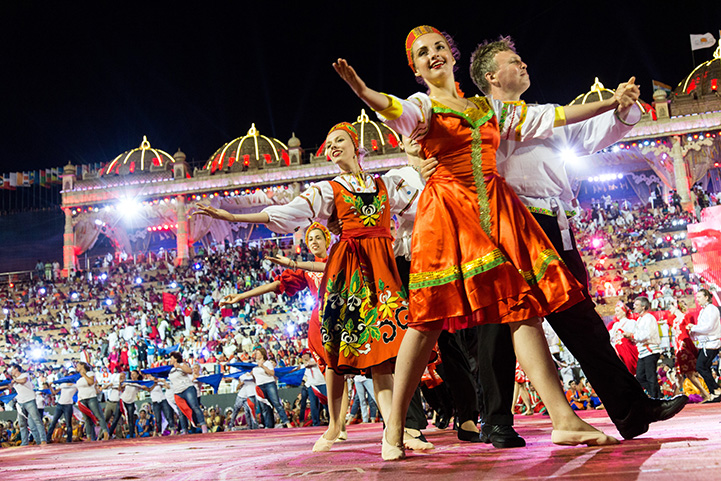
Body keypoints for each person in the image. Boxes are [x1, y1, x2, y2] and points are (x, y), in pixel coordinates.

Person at [334, 25, 625, 459]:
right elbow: (395, 110)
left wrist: (613, 103)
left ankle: (563, 419)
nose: (432, 55)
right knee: (427, 320)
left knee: (522, 307)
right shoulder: (422, 105)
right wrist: (361, 89)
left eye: (437, 48)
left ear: (451, 56)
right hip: (448, 212)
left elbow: (553, 115)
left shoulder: (484, 106)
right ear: (415, 68)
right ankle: (394, 425)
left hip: (496, 209)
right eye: (421, 54)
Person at [459, 35, 686, 445]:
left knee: (581, 320)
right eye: (515, 60)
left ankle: (632, 410)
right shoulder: (485, 114)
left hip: (553, 223)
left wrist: (623, 107)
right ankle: (495, 419)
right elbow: (556, 118)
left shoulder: (546, 116)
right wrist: (607, 103)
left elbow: (592, 132)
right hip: (509, 222)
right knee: (499, 324)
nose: (525, 64)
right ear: (491, 76)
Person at [195, 120, 419, 453]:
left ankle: (394, 432)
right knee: (350, 352)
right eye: (329, 145)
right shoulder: (328, 190)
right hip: (350, 274)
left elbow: (421, 201)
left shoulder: (387, 184)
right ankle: (345, 427)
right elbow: (287, 213)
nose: (332, 147)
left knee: (385, 354)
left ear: (358, 147)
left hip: (384, 272)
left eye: (339, 140)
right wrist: (232, 218)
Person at [688, 289, 721, 402]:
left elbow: (709, 327)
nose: (697, 299)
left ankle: (716, 389)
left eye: (700, 297)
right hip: (705, 344)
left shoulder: (711, 309)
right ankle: (714, 391)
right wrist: (694, 333)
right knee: (703, 367)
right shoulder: (704, 310)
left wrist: (693, 328)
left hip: (711, 343)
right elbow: (703, 328)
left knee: (701, 367)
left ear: (706, 297)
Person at [6, 364, 47, 445]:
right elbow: (7, 387)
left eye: (12, 369)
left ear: (16, 369)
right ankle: (25, 442)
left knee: (36, 421)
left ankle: (42, 440)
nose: (11, 371)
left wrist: (15, 381)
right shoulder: (14, 380)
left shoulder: (25, 375)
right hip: (20, 403)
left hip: (29, 401)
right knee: (22, 424)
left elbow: (23, 380)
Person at [251, 347, 292, 429]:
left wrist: (262, 366)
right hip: (260, 386)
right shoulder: (254, 365)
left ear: (262, 354)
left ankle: (286, 422)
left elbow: (271, 373)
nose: (256, 355)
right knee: (265, 407)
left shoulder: (267, 363)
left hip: (269, 384)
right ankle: (269, 425)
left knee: (276, 403)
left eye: (258, 353)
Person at [167, 351, 208, 434]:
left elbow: (189, 371)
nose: (170, 360)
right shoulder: (170, 370)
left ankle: (203, 425)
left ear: (175, 359)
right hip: (177, 392)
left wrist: (179, 366)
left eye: (171, 358)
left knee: (195, 406)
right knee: (181, 412)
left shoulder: (182, 365)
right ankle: (184, 430)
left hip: (187, 389)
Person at [629, 297, 662, 398]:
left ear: (643, 307)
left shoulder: (649, 318)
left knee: (650, 376)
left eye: (637, 305)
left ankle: (655, 398)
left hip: (650, 350)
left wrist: (632, 336)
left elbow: (646, 335)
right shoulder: (640, 319)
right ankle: (657, 395)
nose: (634, 306)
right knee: (640, 377)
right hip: (643, 351)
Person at [75, 361, 110, 441]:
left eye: (78, 366)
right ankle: (89, 436)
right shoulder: (77, 377)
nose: (76, 367)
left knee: (98, 415)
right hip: (81, 399)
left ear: (82, 366)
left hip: (91, 397)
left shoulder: (90, 373)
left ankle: (105, 433)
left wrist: (83, 374)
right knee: (86, 419)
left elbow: (91, 382)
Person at [47, 378, 78, 444]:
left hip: (68, 405)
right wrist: (50, 386)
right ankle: (47, 438)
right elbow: (54, 392)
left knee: (68, 423)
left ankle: (69, 440)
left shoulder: (76, 385)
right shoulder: (63, 385)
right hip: (60, 404)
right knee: (54, 422)